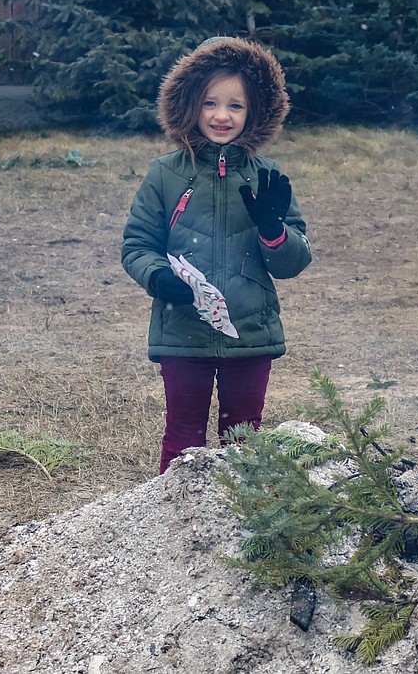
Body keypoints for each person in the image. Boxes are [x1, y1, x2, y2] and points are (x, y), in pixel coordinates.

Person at [121, 37, 312, 474]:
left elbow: (294, 262)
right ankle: (171, 520)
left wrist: (273, 231)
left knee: (243, 440)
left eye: (236, 106)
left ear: (256, 112)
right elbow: (137, 245)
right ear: (189, 104)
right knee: (183, 435)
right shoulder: (165, 173)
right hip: (182, 329)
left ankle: (242, 527)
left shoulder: (268, 177)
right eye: (210, 103)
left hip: (249, 333)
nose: (222, 116)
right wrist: (157, 277)